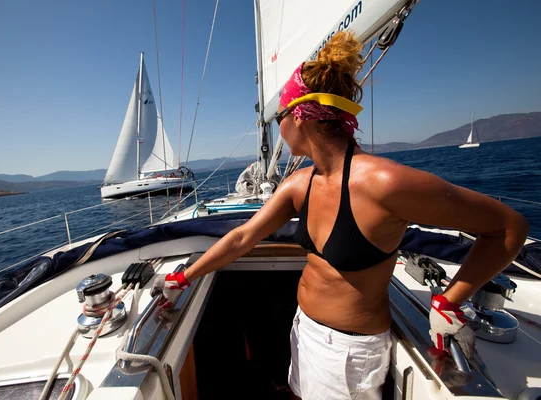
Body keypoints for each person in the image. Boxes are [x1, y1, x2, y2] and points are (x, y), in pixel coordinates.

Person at [151, 31, 528, 400]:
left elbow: (509, 228)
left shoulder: (384, 183)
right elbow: (243, 237)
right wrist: (182, 277)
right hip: (304, 330)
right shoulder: (300, 182)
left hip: (350, 354)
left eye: (278, 116)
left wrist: (451, 300)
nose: (277, 127)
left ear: (298, 116)